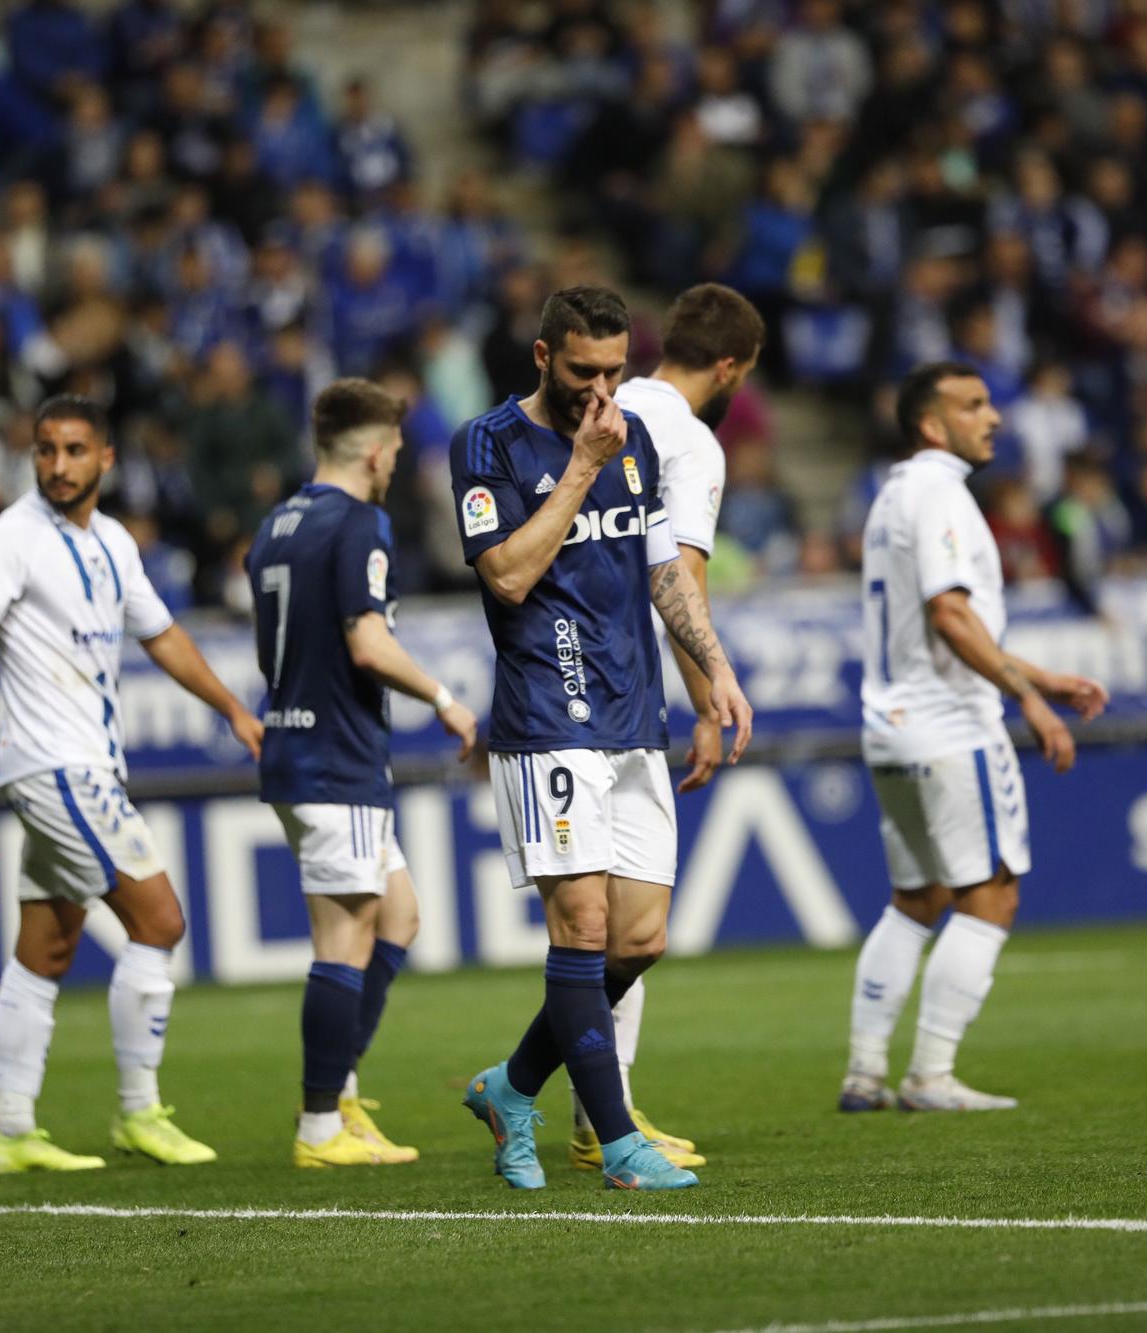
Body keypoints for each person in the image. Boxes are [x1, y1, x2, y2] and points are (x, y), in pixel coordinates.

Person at [451, 285, 753, 1191]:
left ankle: (511, 1087)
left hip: (633, 717)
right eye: (585, 372)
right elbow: (505, 575)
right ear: (544, 358)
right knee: (579, 925)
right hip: (547, 715)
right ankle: (615, 1140)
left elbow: (665, 569)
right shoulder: (489, 444)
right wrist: (581, 466)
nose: (604, 391)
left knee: (640, 940)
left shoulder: (642, 439)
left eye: (617, 371)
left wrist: (715, 664)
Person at [0, 395, 264, 1175]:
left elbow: (159, 633)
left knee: (46, 946)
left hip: (84, 763)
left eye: (73, 450)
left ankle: (11, 1131)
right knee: (159, 920)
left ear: (105, 460)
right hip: (54, 766)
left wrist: (233, 708)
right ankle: (138, 1111)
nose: (57, 465)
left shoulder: (115, 544)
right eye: (45, 450)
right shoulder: (11, 541)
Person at [840, 361, 1107, 1113]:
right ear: (933, 424)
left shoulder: (894, 494)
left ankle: (864, 1072)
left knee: (916, 898)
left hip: (892, 729)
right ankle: (930, 1074)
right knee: (990, 896)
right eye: (975, 404)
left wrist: (1041, 676)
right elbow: (952, 616)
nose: (994, 417)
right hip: (952, 729)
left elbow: (944, 624)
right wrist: (1029, 700)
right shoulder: (943, 496)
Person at [245, 378, 479, 1167]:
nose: (398, 461)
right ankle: (320, 1125)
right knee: (342, 939)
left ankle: (339, 1089)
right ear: (376, 450)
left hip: (299, 745)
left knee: (399, 915)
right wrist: (445, 699)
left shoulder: (277, 523)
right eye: (398, 449)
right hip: (332, 757)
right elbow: (368, 643)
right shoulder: (360, 522)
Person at [562, 282, 762, 1173]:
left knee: (607, 924)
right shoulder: (690, 440)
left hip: (564, 687)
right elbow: (678, 575)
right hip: (622, 703)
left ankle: (597, 1110)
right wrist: (710, 697)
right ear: (729, 367)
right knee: (626, 926)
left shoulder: (609, 407)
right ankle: (587, 1105)